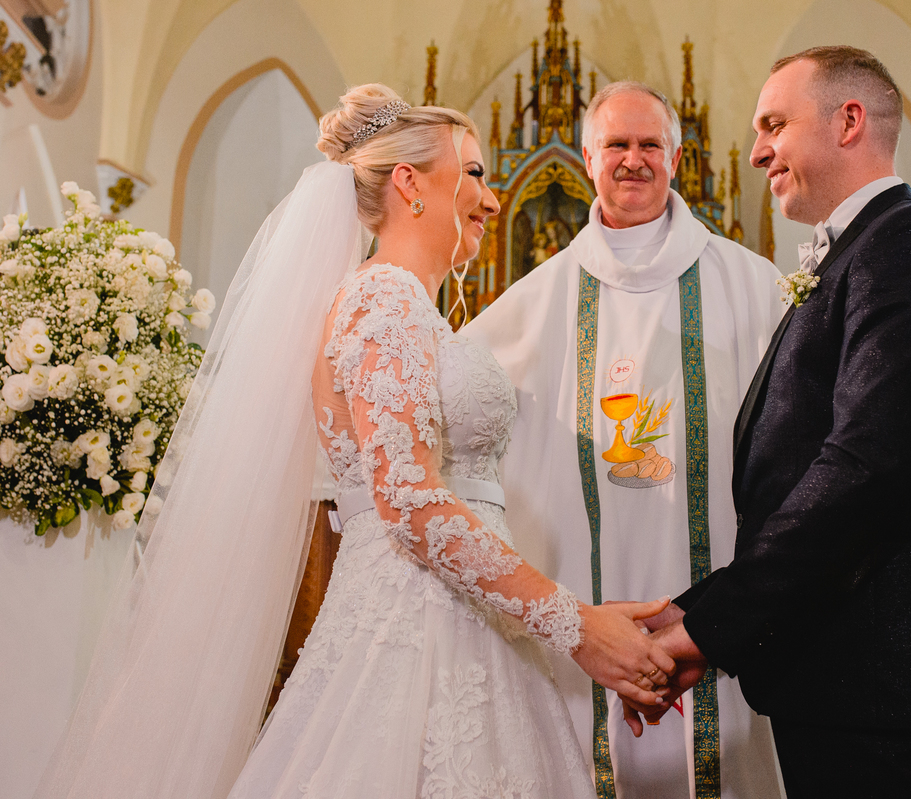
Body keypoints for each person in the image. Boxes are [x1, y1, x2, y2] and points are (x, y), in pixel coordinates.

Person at [35, 84, 676, 799]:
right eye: (474, 173)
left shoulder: (407, 308)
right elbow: (409, 500)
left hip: (464, 620)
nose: (492, 201)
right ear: (410, 184)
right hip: (418, 626)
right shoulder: (383, 299)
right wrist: (576, 624)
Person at [631, 47, 911, 798]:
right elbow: (796, 478)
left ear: (849, 121)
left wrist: (709, 630)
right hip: (848, 677)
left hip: (896, 692)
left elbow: (865, 473)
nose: (756, 152)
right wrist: (696, 610)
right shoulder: (856, 255)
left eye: (774, 124)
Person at [464, 82, 785, 799]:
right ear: (585, 157)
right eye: (617, 144)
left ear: (677, 155)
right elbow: (454, 411)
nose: (633, 160)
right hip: (585, 624)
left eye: (649, 145)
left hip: (720, 611)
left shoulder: (755, 287)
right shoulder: (533, 302)